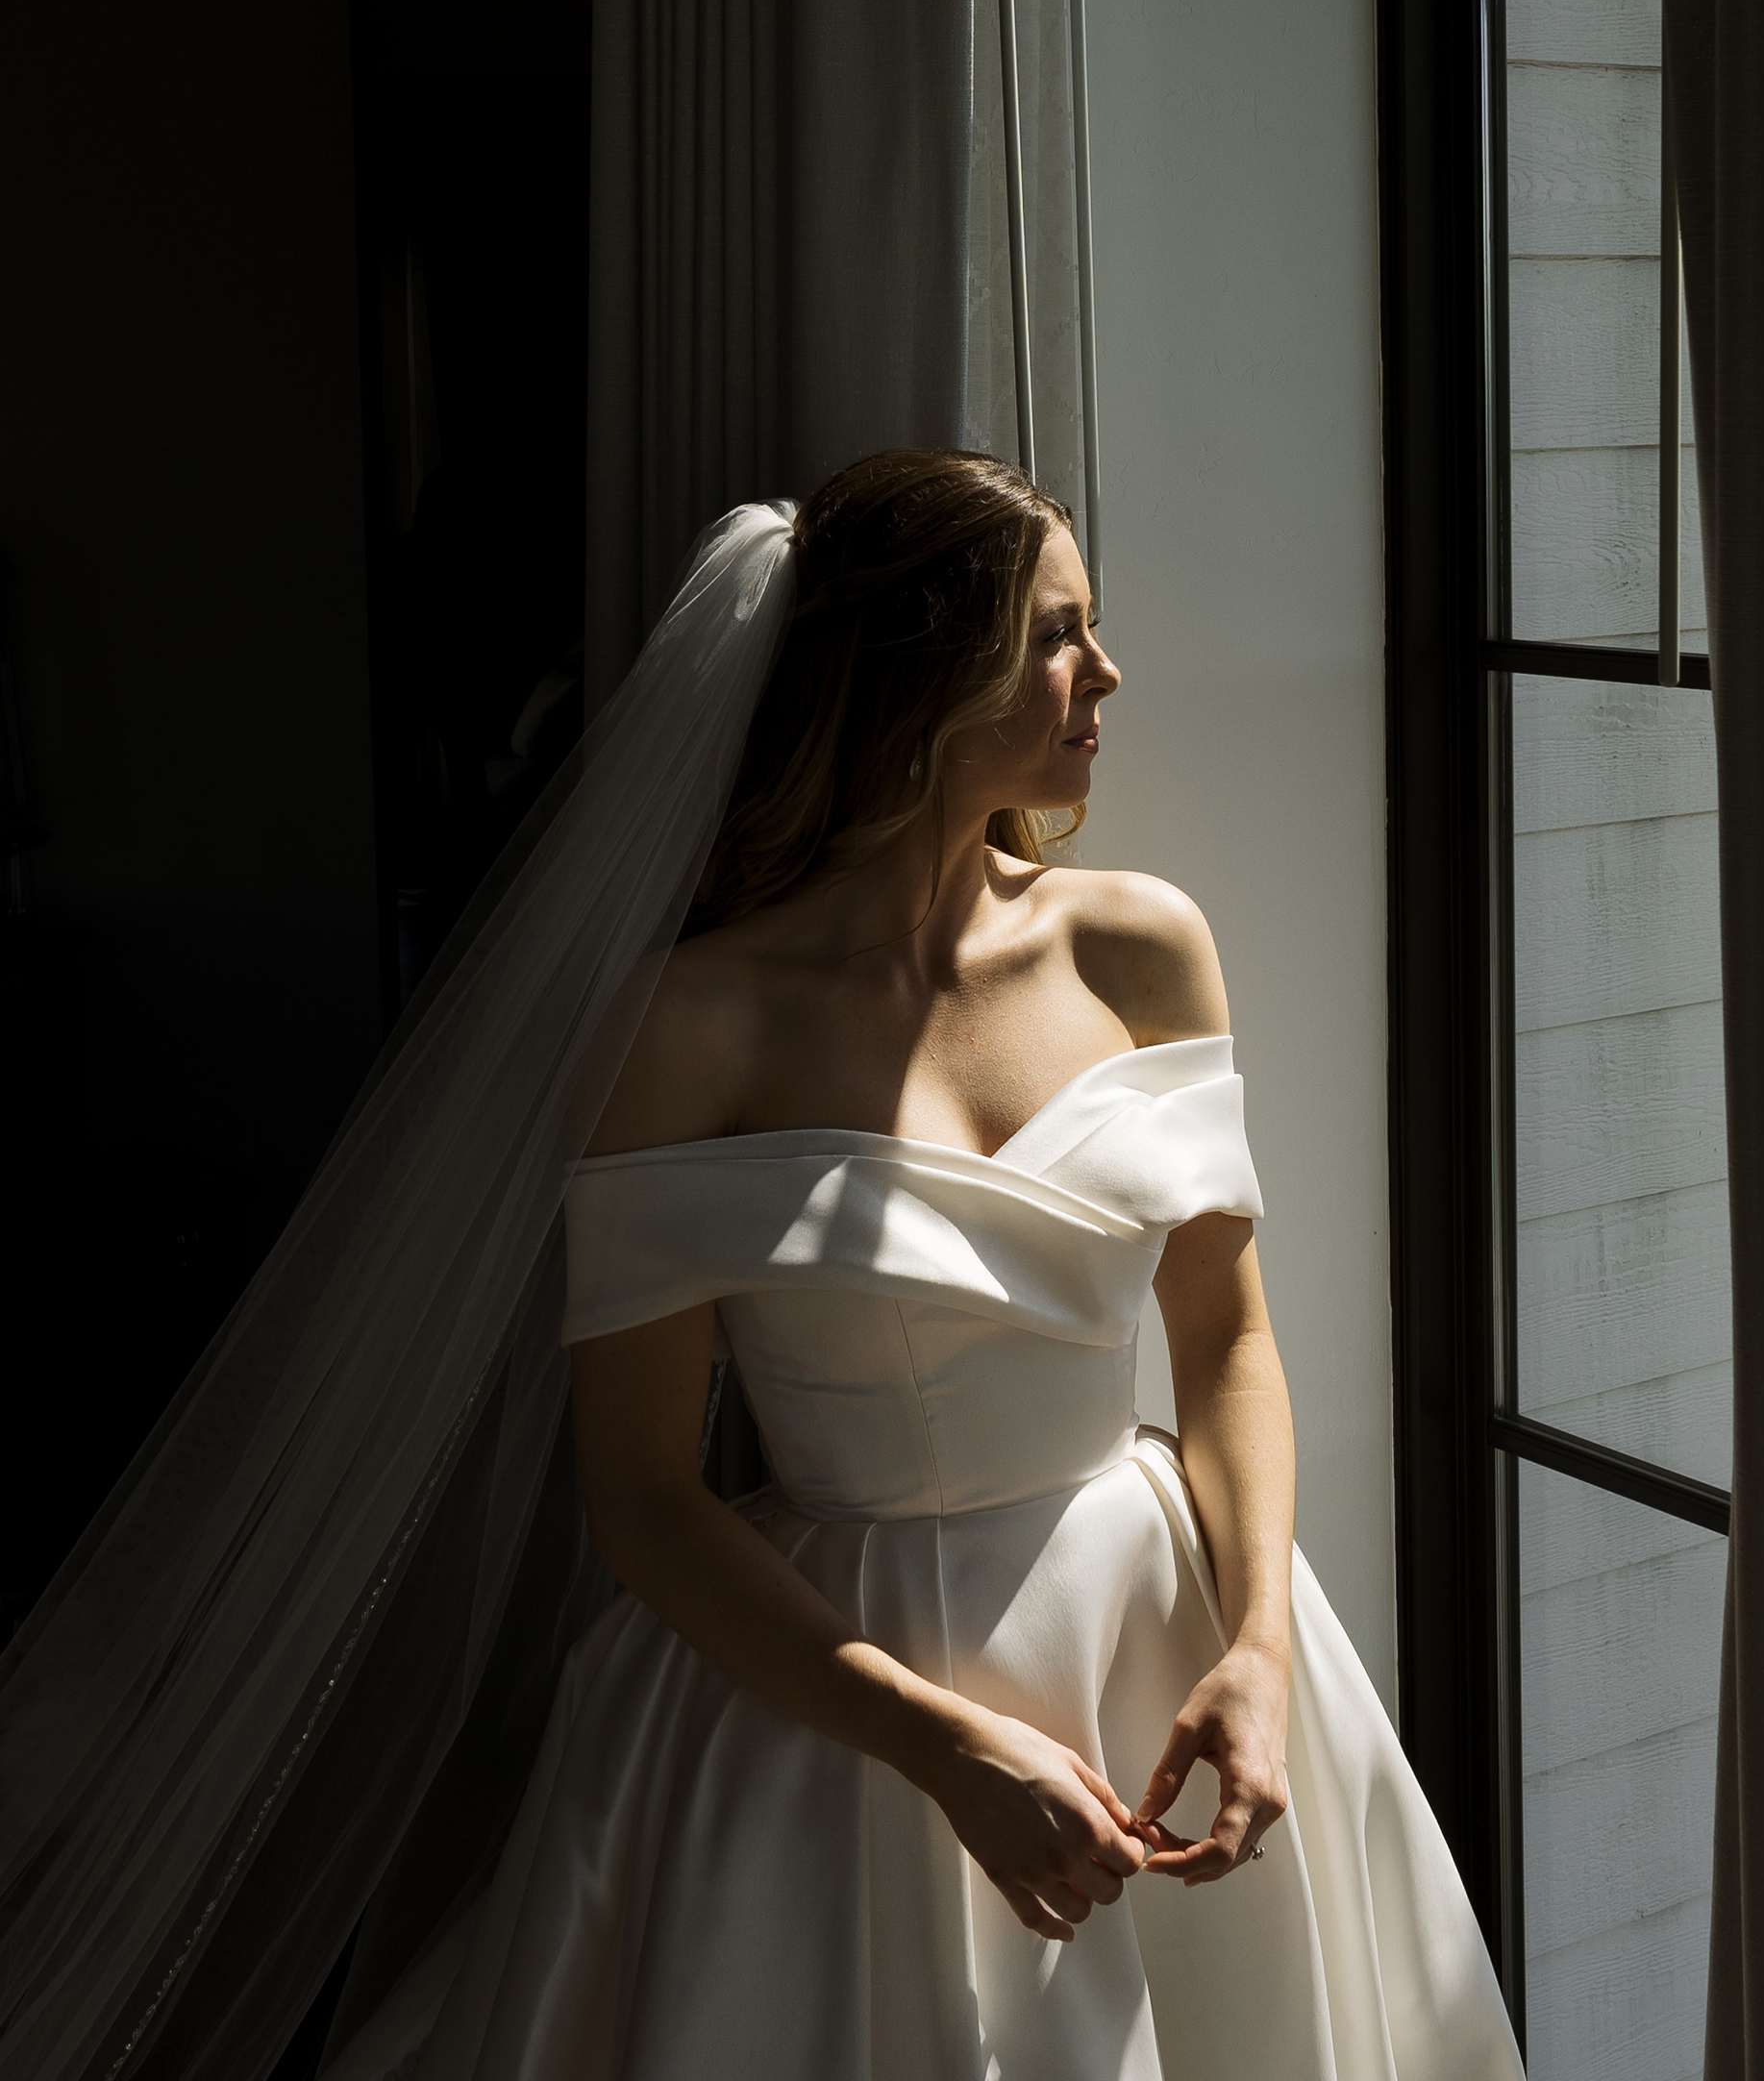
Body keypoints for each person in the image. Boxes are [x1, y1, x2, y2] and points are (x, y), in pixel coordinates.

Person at [309, 451, 1521, 2079]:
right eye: (1052, 636)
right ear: (912, 681)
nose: (1104, 676)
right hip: (840, 1701)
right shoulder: (683, 1030)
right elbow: (643, 1498)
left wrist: (1253, 1651)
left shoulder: (1137, 943)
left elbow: (1223, 1337)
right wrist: (943, 1750)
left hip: (1152, 1627)